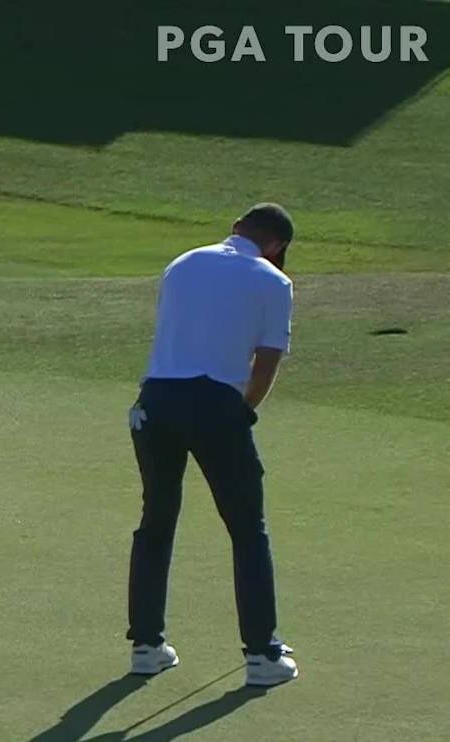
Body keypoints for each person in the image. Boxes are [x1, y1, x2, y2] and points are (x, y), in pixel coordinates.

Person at [125, 203, 300, 688]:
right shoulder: (275, 281)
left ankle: (146, 647)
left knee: (156, 522)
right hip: (214, 404)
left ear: (236, 227)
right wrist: (243, 412)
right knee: (247, 530)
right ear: (277, 245)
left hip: (154, 403)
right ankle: (262, 655)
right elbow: (265, 365)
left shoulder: (182, 263)